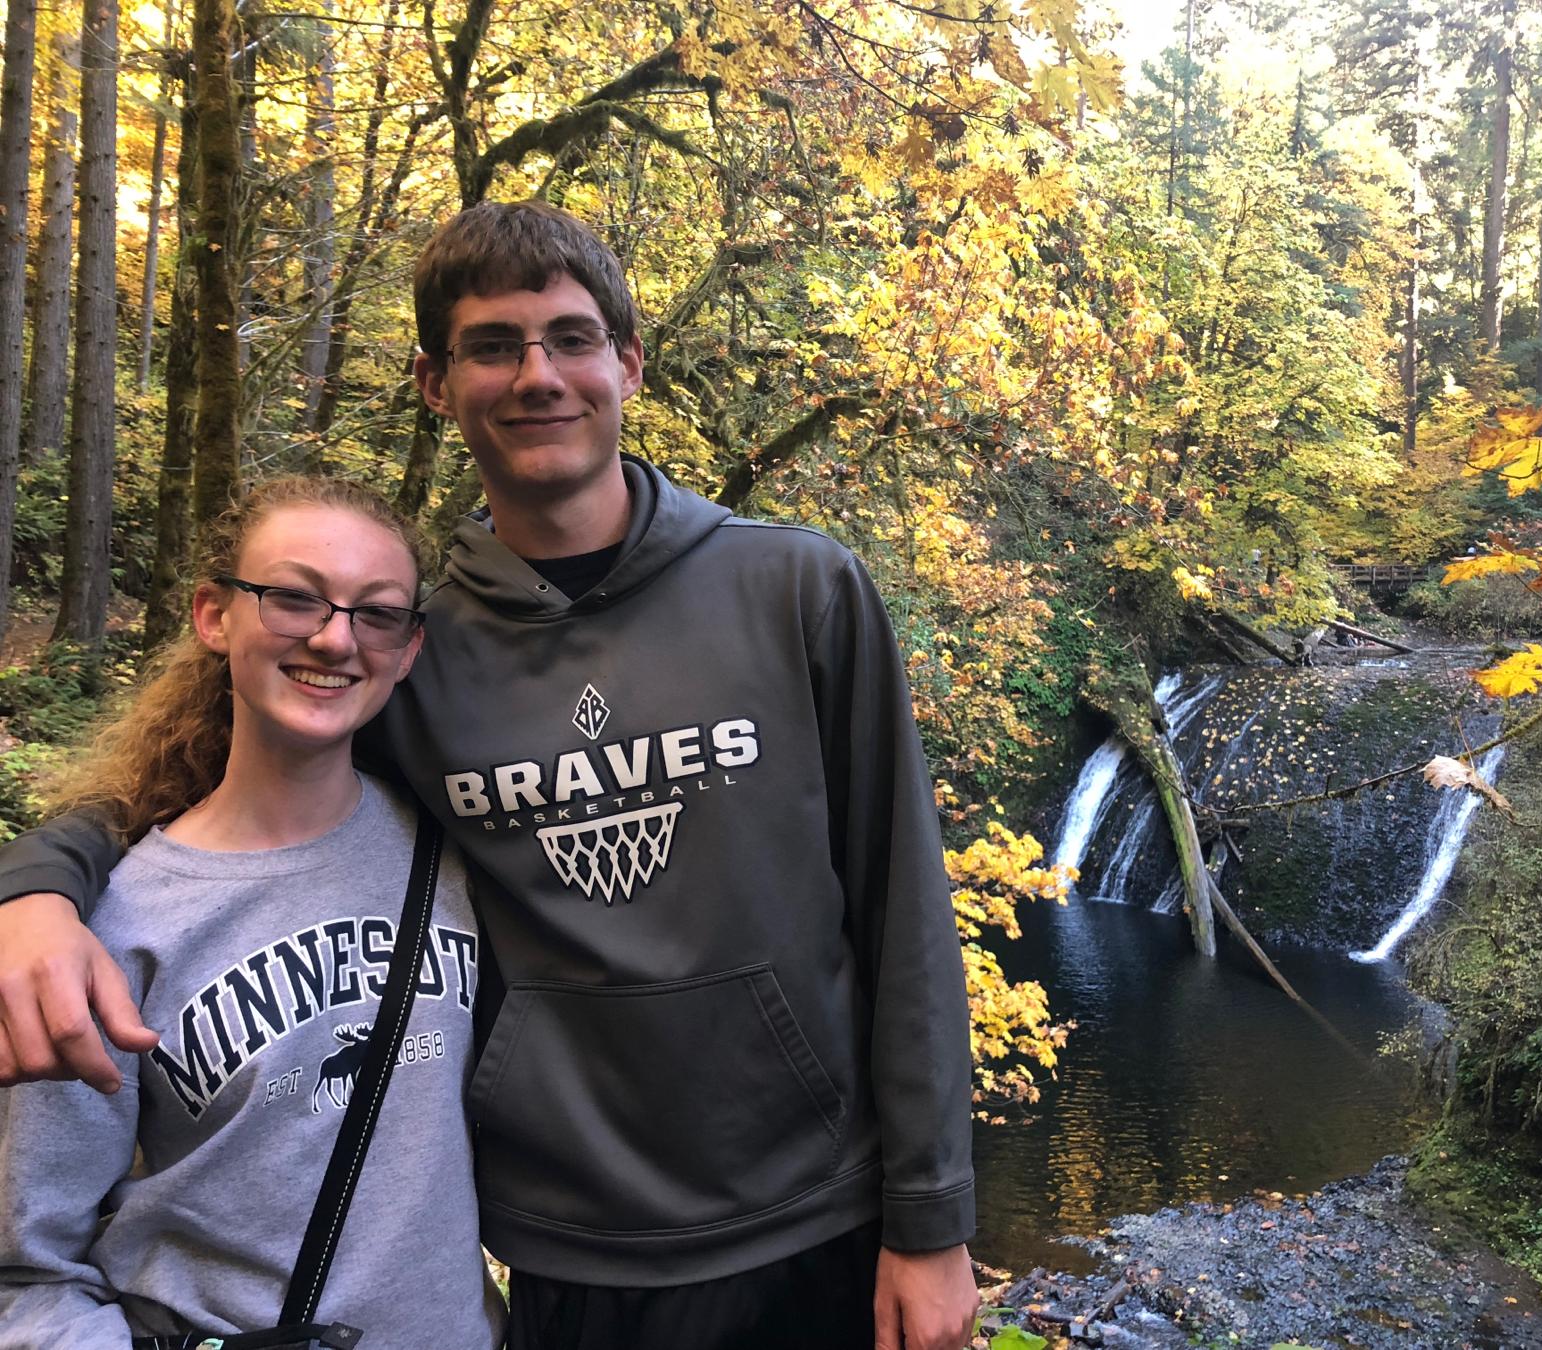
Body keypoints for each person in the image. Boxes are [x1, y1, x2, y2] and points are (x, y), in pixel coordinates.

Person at [0, 202, 981, 1350]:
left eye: (571, 338)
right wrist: (35, 891)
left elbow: (905, 908)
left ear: (627, 362)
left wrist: (932, 1221)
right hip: (565, 1243)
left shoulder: (796, 590)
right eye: (491, 346)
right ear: (434, 381)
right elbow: (195, 783)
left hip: (820, 1212)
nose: (537, 376)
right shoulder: (406, 644)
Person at [0, 477, 506, 1348]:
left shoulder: (461, 855)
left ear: (409, 647)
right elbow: (28, 1267)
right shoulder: (110, 928)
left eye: (375, 612)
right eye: (294, 598)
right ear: (213, 615)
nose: (335, 637)